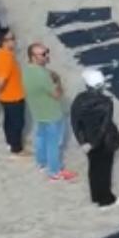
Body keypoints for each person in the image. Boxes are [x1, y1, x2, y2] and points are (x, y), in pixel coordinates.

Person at [71, 68, 119, 208]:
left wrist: (83, 142)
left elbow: (75, 123)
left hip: (87, 139)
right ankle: (106, 199)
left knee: (94, 169)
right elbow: (104, 126)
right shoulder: (106, 102)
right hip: (103, 142)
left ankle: (96, 196)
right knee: (104, 171)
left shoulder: (79, 100)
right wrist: (94, 143)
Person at [24, 42, 77, 181]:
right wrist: (58, 81)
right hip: (51, 112)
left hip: (37, 111)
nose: (47, 56)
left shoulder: (26, 70)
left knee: (41, 137)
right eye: (43, 54)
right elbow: (57, 94)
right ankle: (54, 171)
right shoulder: (42, 75)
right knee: (54, 143)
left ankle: (42, 163)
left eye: (47, 51)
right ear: (33, 57)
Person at [0, 28, 28, 157]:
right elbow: (3, 78)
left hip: (4, 96)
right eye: (12, 39)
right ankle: (17, 149)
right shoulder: (7, 57)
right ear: (4, 42)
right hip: (14, 95)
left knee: (8, 120)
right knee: (18, 122)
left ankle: (10, 142)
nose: (14, 41)